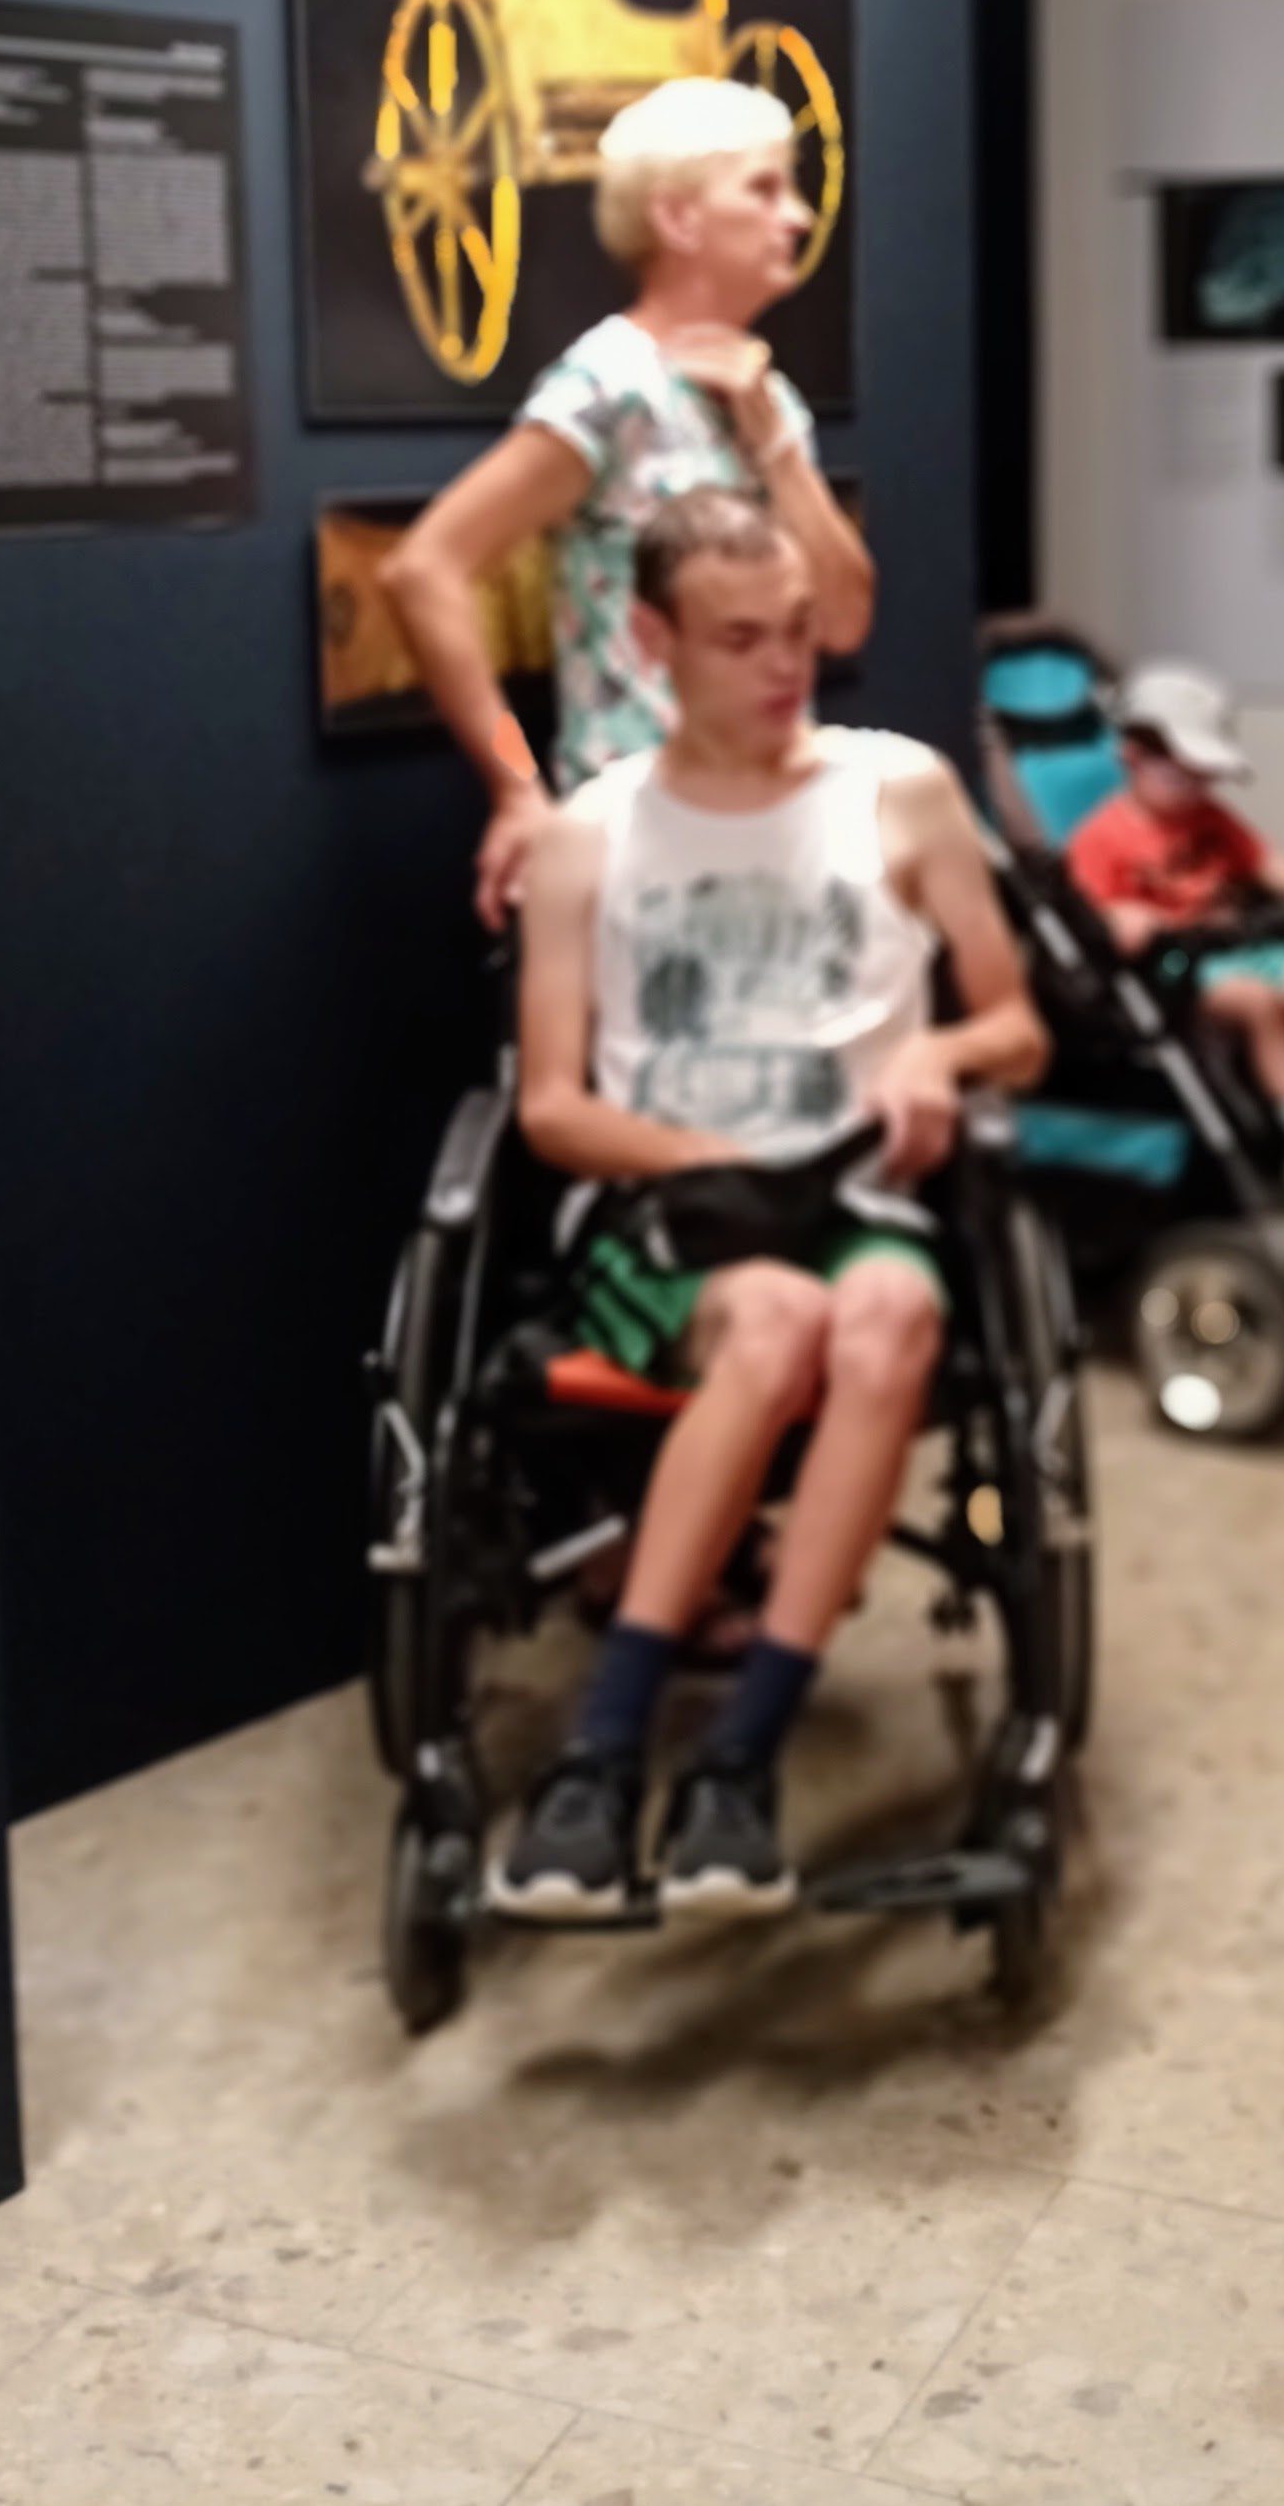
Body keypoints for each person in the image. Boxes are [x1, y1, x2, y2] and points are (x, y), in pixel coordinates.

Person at [493, 489, 1046, 1922]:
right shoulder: (590, 834)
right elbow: (550, 1106)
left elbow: (1019, 1030)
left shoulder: (901, 791)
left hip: (856, 1191)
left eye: (798, 631)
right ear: (653, 640)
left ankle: (737, 1762)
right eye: (740, 640)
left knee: (883, 1317)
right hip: (676, 1208)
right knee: (778, 1323)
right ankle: (603, 1755)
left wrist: (938, 1053)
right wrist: (701, 1160)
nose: (785, 665)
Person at [385, 77, 880, 926]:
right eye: (764, 190)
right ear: (679, 219)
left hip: (767, 833)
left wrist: (775, 445)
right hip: (638, 847)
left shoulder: (770, 400)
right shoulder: (610, 386)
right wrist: (515, 787)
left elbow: (842, 620)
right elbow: (422, 568)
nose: (797, 218)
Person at [1063, 661, 1284, 1151]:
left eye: (1207, 778)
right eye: (1184, 777)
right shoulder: (1100, 837)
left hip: (1243, 945)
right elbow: (1090, 915)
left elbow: (1269, 865)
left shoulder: (1210, 818)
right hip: (1181, 970)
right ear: (1133, 755)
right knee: (1259, 1004)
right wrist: (1121, 920)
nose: (1199, 789)